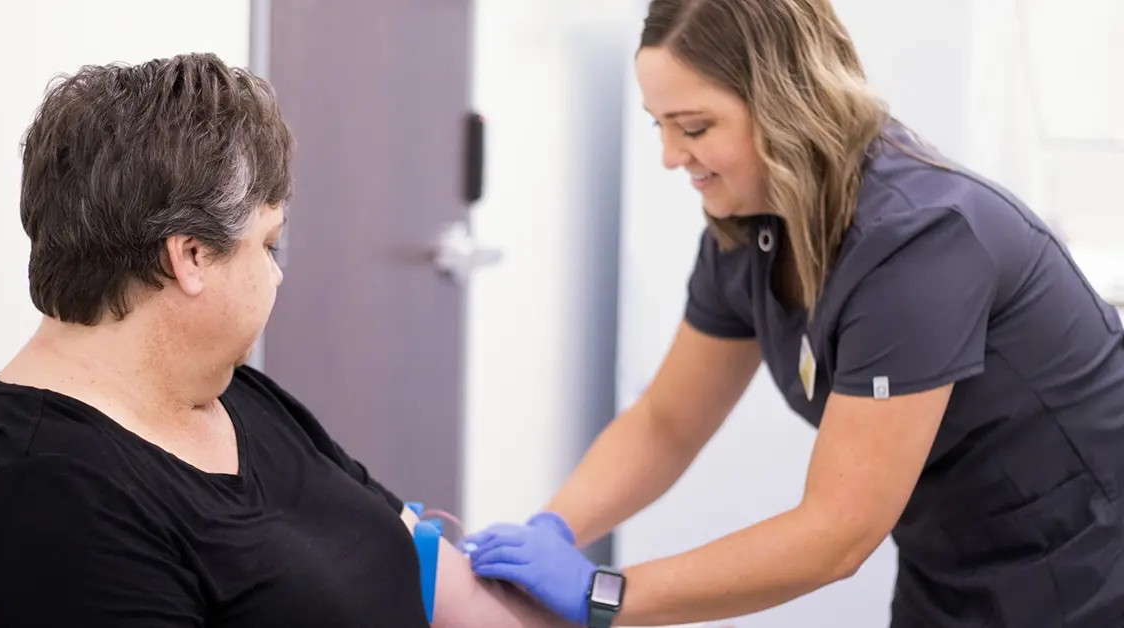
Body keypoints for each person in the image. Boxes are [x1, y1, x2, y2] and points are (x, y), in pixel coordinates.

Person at [461, 1, 1124, 627]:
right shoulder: (750, 230)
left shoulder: (919, 242)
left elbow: (837, 531)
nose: (669, 155)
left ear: (785, 104)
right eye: (658, 124)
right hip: (949, 561)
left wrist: (601, 595)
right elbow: (666, 424)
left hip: (1087, 563)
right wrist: (551, 529)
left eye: (693, 127)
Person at [0, 53, 573, 628]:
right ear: (193, 256)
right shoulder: (34, 510)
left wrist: (601, 601)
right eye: (269, 243)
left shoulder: (236, 400)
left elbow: (444, 584)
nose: (278, 272)